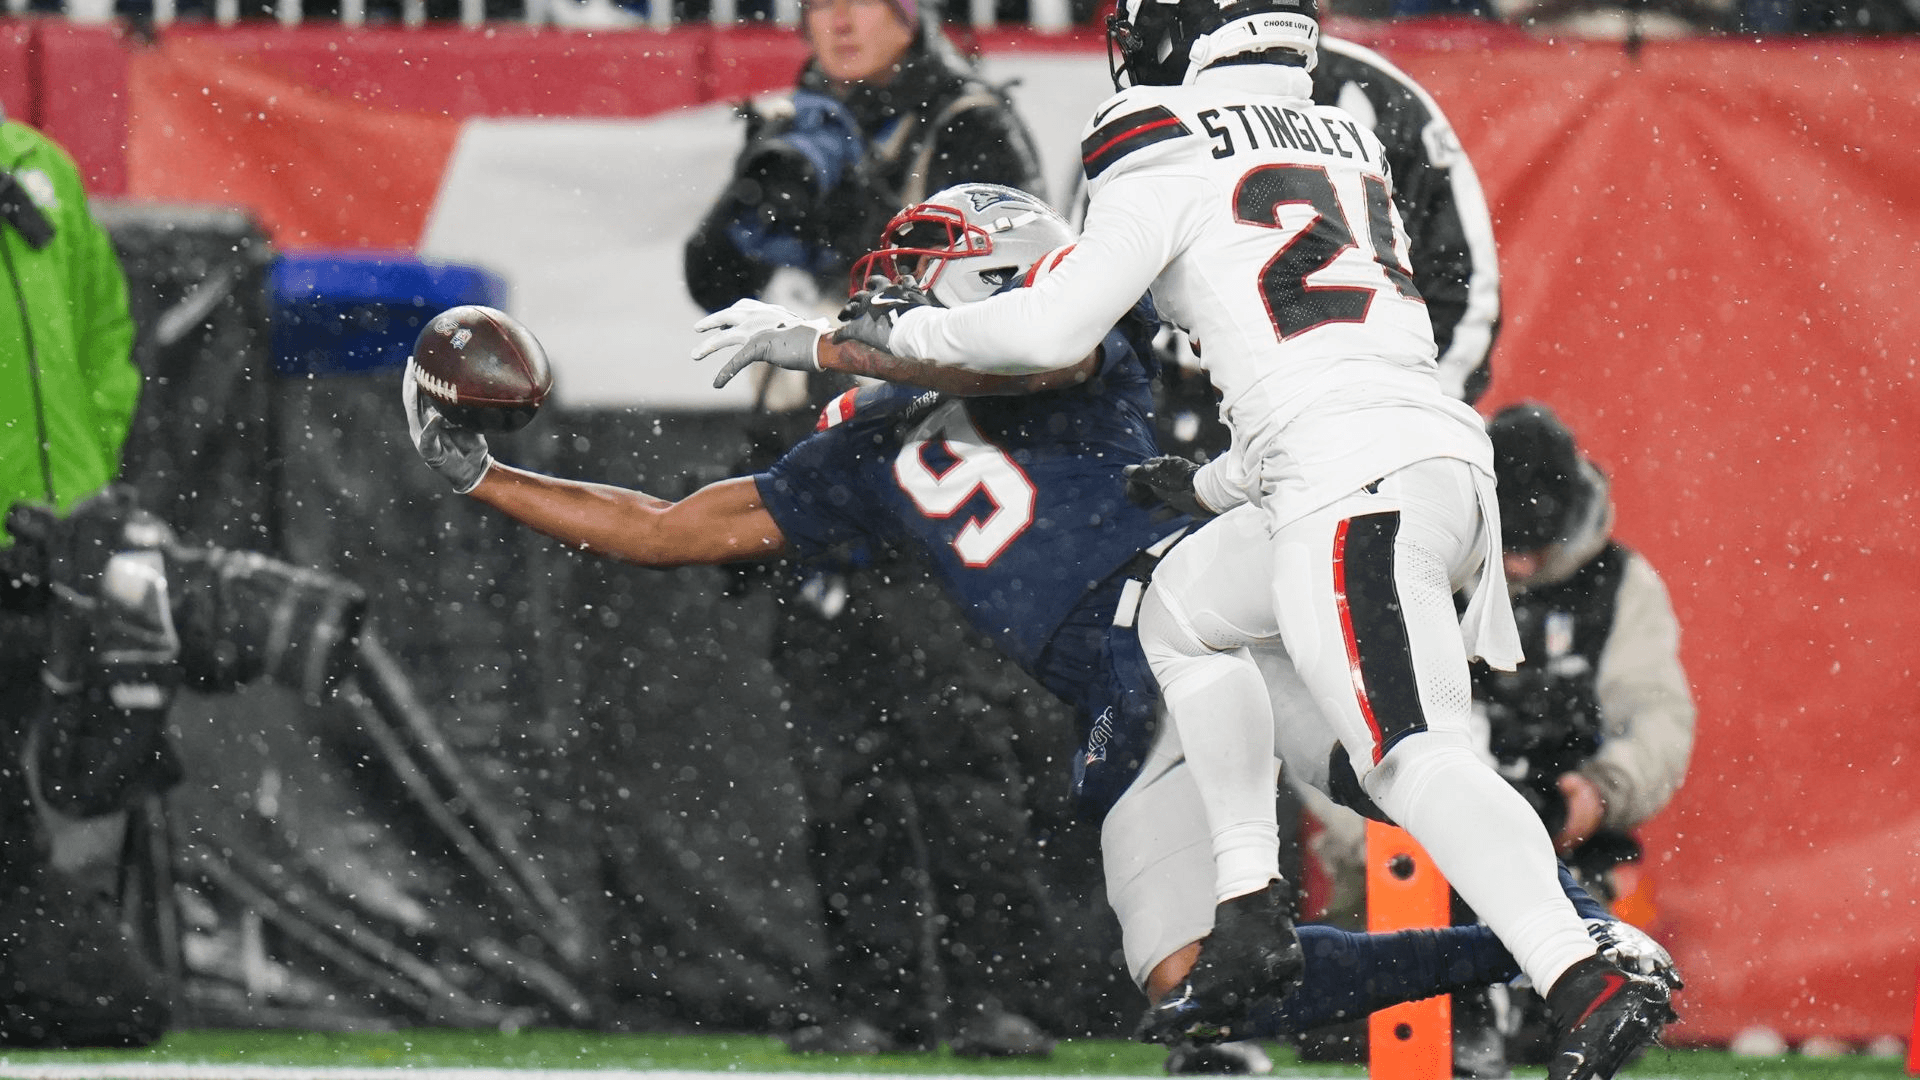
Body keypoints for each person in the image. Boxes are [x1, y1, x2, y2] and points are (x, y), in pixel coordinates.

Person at [406, 194, 1678, 1061]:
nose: (890, 303)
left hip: (1210, 618)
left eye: (914, 285)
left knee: (1390, 768)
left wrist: (850, 344)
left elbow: (1031, 357)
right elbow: (670, 524)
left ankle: (1574, 936)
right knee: (1194, 981)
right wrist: (480, 477)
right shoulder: (866, 446)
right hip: (1125, 694)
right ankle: (1528, 956)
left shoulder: (1072, 346)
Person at [766, 2, 1674, 1074]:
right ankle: (1249, 908)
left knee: (1406, 757)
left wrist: (865, 338)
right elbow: (1337, 340)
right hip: (1396, 451)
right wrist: (1209, 477)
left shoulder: (1152, 125)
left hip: (1351, 480)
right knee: (1183, 609)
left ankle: (1582, 966)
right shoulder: (1345, 132)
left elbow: (1053, 328)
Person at [682, 0, 1058, 1057]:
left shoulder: (972, 121)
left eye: (863, 4)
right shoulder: (795, 116)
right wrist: (764, 187)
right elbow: (712, 285)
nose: (838, 23)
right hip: (814, 466)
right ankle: (876, 998)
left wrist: (854, 217)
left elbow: (1010, 296)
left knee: (957, 745)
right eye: (820, 5)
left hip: (938, 462)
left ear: (915, 16)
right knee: (838, 757)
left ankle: (1001, 997)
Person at [0, 111, 168, 1049]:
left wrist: (83, 487)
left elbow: (107, 342)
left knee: (116, 1008)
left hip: (43, 563)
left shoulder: (40, 167)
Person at [1480, 402, 1696, 886]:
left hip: (1574, 863)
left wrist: (1598, 794)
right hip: (1400, 859)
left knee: (1603, 955)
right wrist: (1378, 826)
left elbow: (1658, 718)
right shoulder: (1421, 573)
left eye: (1534, 546)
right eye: (1507, 545)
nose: (1518, 566)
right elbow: (1338, 714)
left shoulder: (1620, 586)